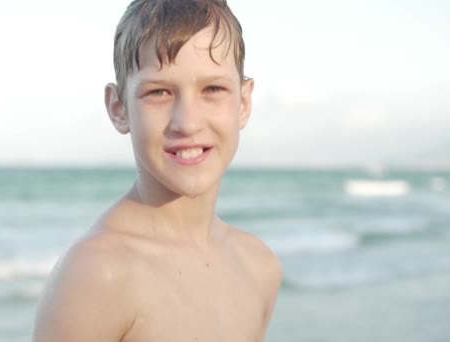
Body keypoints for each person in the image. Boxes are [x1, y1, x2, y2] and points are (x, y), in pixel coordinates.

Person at [33, 0, 282, 340]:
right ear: (119, 108)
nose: (188, 122)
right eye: (159, 92)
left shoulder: (259, 266)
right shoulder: (98, 274)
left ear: (243, 102)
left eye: (213, 89)